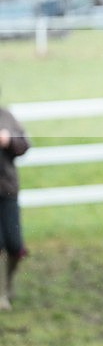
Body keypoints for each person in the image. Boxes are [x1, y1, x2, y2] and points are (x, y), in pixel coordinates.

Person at [0, 93, 31, 310]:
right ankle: (1, 293)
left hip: (8, 190)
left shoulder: (6, 117)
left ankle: (8, 283)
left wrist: (9, 140)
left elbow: (24, 145)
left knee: (15, 244)